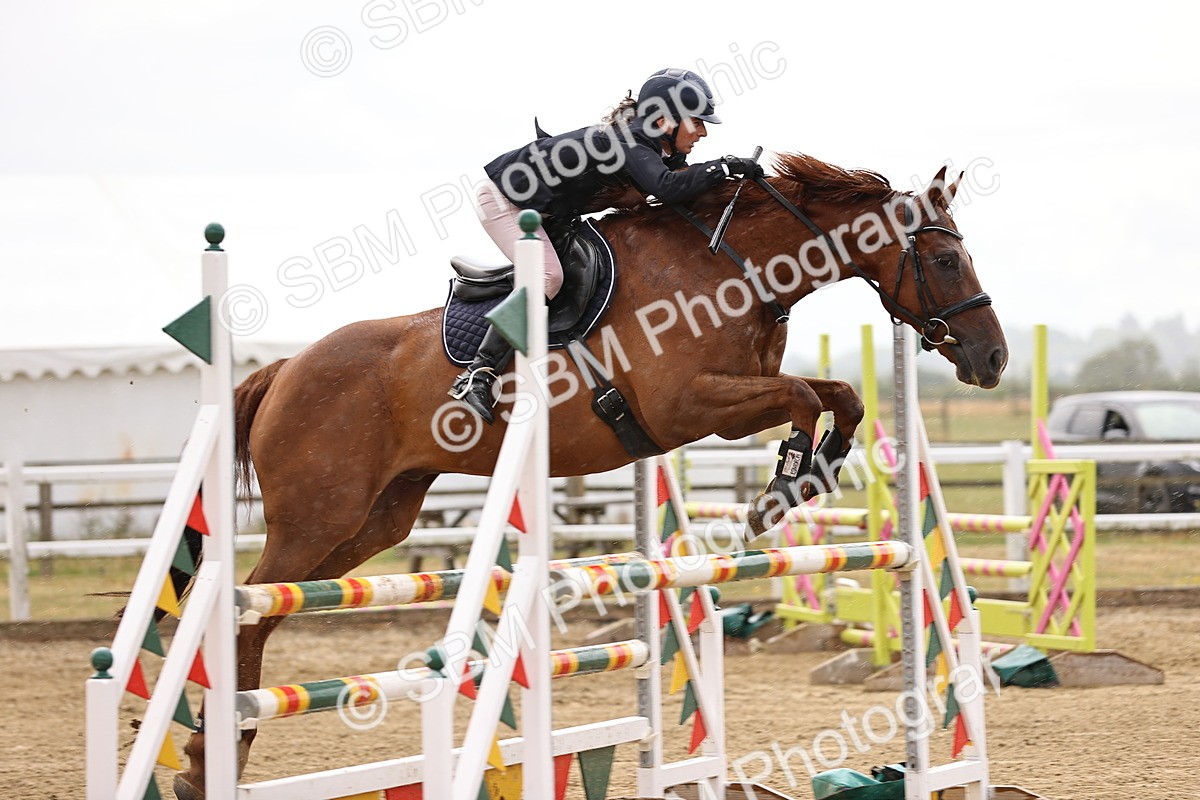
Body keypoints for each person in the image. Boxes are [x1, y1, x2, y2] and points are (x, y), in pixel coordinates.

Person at [449, 67, 763, 423]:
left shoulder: (656, 147)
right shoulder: (630, 140)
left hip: (548, 212)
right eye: (697, 121)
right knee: (549, 277)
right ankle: (478, 373)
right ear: (665, 120)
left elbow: (681, 192)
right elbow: (667, 188)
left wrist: (736, 182)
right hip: (506, 202)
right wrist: (723, 166)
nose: (704, 131)